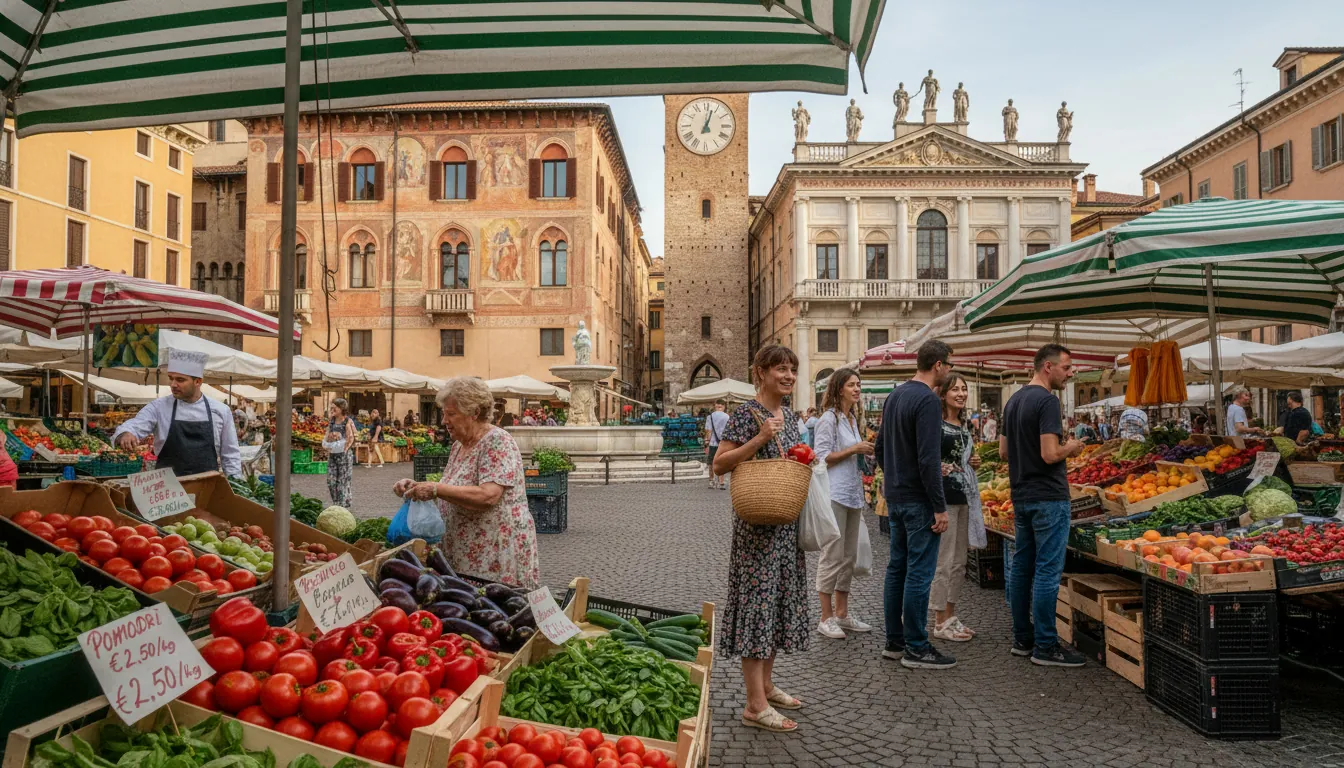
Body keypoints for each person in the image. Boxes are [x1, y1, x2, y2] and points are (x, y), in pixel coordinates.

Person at [712, 345, 809, 733]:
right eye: (780, 369)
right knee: (757, 609)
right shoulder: (746, 414)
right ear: (761, 372)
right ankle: (754, 705)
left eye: (792, 370)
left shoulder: (787, 416)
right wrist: (758, 438)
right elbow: (719, 463)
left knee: (775, 607)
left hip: (783, 525)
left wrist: (802, 459)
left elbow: (783, 457)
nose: (787, 376)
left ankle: (767, 687)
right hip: (757, 532)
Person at [394, 377, 540, 588]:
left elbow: (488, 495)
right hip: (465, 554)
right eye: (444, 413)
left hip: (494, 554)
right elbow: (453, 488)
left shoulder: (497, 441)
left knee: (496, 613)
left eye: (451, 414)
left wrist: (436, 489)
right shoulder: (459, 446)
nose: (444, 420)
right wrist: (417, 487)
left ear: (475, 413)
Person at [1000, 344, 1086, 667]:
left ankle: (1022, 638)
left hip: (1021, 495)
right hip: (1049, 496)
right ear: (1047, 368)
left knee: (1022, 567)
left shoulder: (1013, 401)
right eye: (1067, 367)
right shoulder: (1048, 401)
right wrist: (1072, 447)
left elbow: (1004, 453)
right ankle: (1046, 645)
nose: (1071, 372)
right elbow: (1050, 454)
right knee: (1048, 570)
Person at [877, 340, 955, 669]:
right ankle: (916, 646)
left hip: (896, 497)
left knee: (897, 569)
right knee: (919, 574)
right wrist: (939, 506)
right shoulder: (927, 400)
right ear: (937, 364)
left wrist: (893, 477)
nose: (950, 371)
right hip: (919, 500)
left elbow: (879, 446)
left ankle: (895, 641)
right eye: (949, 365)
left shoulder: (896, 395)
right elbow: (928, 459)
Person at [813, 368, 875, 640]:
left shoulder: (851, 419)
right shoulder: (828, 419)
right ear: (839, 389)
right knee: (833, 555)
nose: (857, 389)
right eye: (852, 385)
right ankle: (825, 617)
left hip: (852, 493)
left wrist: (864, 452)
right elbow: (821, 456)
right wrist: (854, 449)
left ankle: (842, 613)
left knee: (848, 556)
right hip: (835, 493)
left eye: (859, 385)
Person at [114, 348, 241, 477]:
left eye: (180, 380)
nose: (173, 384)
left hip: (207, 488)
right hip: (168, 489)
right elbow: (135, 425)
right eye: (171, 378)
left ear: (198, 381)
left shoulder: (221, 410)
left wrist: (236, 486)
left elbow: (230, 455)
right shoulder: (158, 407)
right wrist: (126, 433)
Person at [930, 373, 987, 643]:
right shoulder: (936, 426)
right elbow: (929, 461)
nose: (961, 394)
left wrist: (972, 462)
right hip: (944, 499)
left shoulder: (965, 426)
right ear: (943, 394)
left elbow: (962, 459)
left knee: (959, 563)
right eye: (955, 389)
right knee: (944, 562)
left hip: (965, 496)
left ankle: (951, 615)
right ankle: (939, 620)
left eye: (964, 389)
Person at [325, 398, 356, 507]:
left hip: (344, 455)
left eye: (335, 407)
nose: (332, 409)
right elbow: (327, 435)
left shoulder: (348, 421)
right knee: (331, 481)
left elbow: (352, 437)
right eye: (331, 407)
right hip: (332, 455)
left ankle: (342, 506)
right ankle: (337, 502)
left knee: (342, 482)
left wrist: (344, 448)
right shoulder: (331, 421)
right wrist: (328, 442)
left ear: (342, 408)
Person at [704, 399, 730, 490]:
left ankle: (711, 481)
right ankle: (721, 482)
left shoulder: (710, 417)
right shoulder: (727, 417)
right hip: (723, 443)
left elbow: (709, 431)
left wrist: (706, 443)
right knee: (721, 462)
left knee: (711, 463)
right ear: (723, 406)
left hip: (712, 443)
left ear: (715, 406)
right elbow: (729, 431)